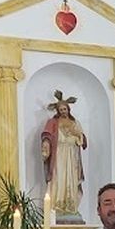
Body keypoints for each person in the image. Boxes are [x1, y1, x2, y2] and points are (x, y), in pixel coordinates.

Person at [40, 90, 86, 218]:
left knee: (71, 178)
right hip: (59, 153)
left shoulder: (75, 122)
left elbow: (82, 139)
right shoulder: (53, 122)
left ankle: (70, 207)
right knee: (58, 177)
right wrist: (46, 144)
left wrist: (78, 135)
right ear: (58, 111)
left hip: (72, 154)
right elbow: (47, 135)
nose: (63, 111)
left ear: (68, 109)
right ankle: (56, 206)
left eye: (65, 109)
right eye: (61, 109)